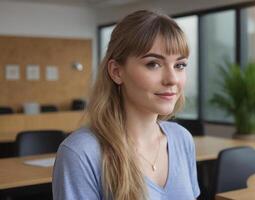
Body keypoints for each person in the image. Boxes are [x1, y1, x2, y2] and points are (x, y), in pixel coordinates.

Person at [52, 10, 200, 200]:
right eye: (153, 64)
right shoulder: (82, 152)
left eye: (180, 65)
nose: (172, 79)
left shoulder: (182, 139)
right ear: (116, 72)